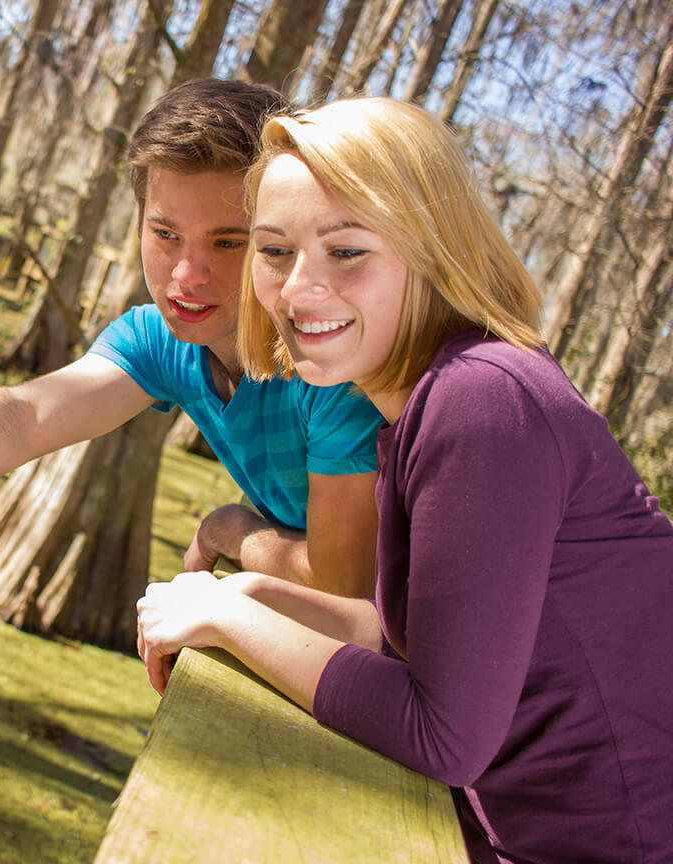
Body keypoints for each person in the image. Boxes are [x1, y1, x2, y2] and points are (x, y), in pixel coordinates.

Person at [135, 97, 673, 862]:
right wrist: (252, 594)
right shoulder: (423, 410)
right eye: (274, 250)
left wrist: (227, 624)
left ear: (432, 250)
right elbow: (428, 651)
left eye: (346, 251)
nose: (297, 291)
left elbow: (444, 732)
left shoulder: (484, 399)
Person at [0, 78, 383, 596]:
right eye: (166, 235)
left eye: (227, 242)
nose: (186, 276)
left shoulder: (331, 360)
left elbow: (345, 581)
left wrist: (231, 530)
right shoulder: (160, 342)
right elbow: (28, 415)